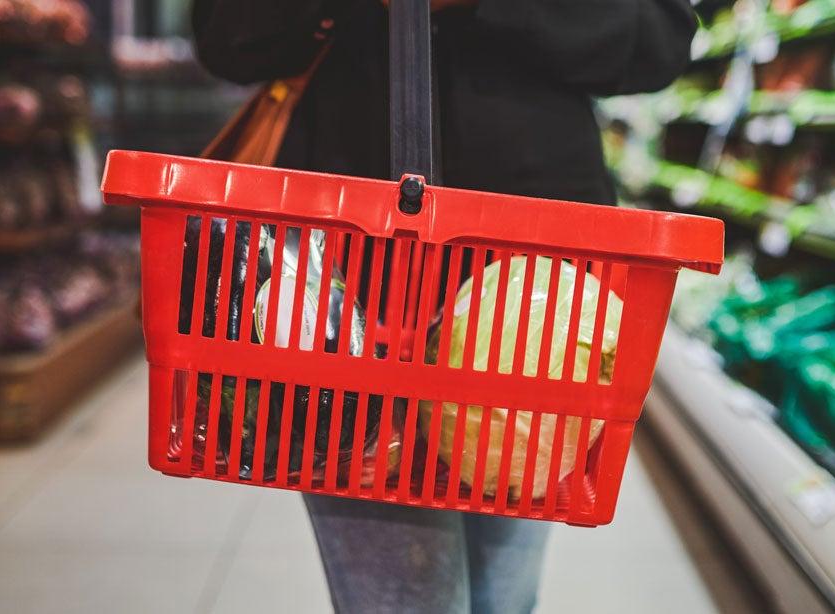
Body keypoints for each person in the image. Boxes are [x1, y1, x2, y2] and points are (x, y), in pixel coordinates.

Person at [191, 1, 696, 611]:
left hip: (538, 297)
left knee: (503, 597)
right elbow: (224, 35)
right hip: (345, 286)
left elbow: (659, 39)